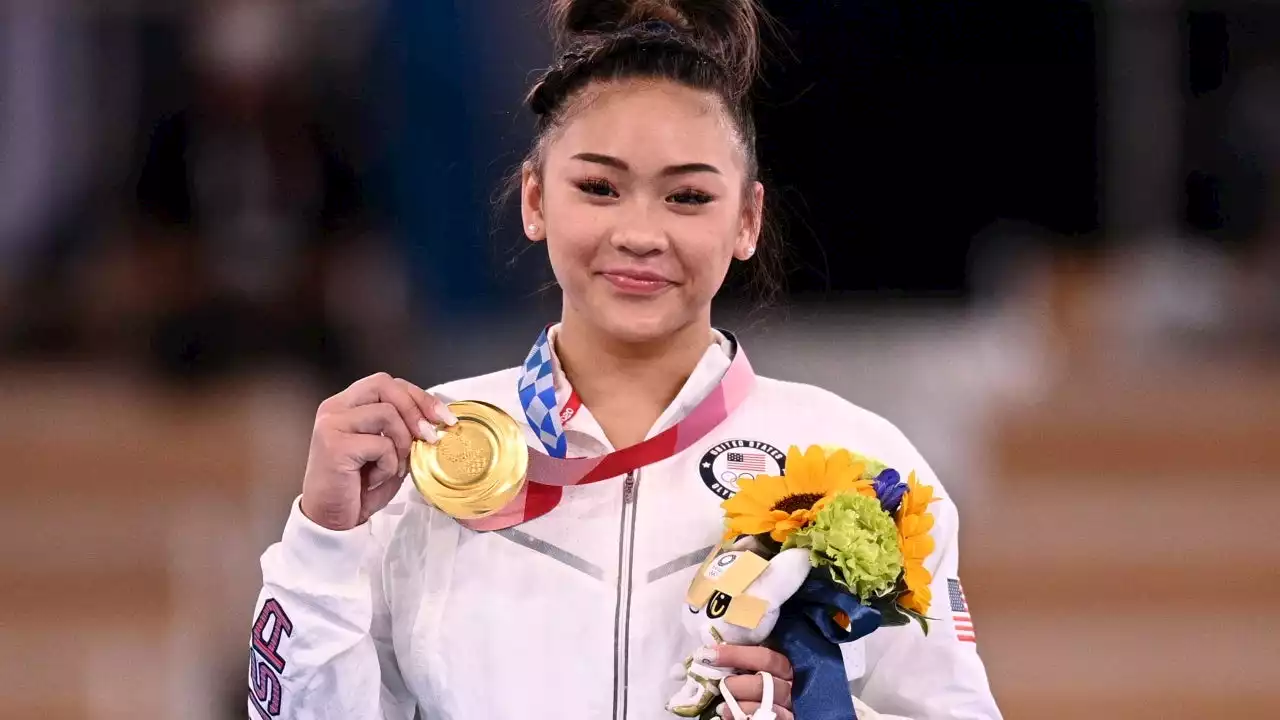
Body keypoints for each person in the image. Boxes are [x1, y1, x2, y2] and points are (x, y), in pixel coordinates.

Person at [248, 1, 1003, 718]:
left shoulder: (860, 465)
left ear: (747, 219)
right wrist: (324, 536)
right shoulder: (425, 457)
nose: (641, 233)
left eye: (687, 198)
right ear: (535, 201)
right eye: (600, 187)